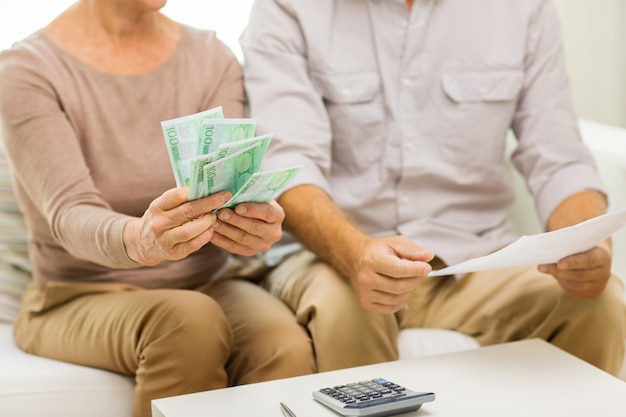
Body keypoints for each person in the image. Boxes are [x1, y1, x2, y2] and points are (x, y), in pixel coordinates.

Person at [240, 0, 626, 375]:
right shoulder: (287, 7)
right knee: (344, 310)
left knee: (599, 303)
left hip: (476, 257)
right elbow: (290, 168)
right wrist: (356, 255)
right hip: (332, 258)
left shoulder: (523, 8)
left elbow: (556, 155)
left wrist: (584, 245)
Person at [0, 1, 315, 416]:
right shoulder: (26, 70)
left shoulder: (211, 56)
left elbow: (228, 189)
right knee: (189, 321)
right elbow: (69, 213)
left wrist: (252, 223)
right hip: (76, 294)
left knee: (283, 345)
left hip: (205, 281)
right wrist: (140, 240)